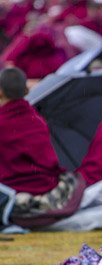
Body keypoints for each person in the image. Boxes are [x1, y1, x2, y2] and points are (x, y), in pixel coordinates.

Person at [0, 67, 84, 228]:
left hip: (14, 191)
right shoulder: (36, 119)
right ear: (26, 90)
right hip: (47, 186)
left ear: (1, 92)